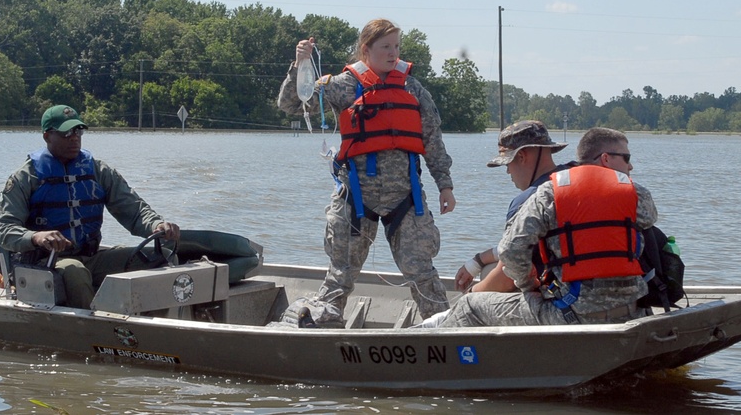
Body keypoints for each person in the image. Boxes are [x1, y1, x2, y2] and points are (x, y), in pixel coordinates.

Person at [277, 18, 456, 320]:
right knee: (341, 275)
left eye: (396, 47)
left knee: (422, 273)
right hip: (355, 198)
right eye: (385, 47)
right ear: (366, 50)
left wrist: (445, 185)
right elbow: (290, 103)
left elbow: (432, 140)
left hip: (406, 198)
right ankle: (324, 329)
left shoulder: (413, 89)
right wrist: (300, 64)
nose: (393, 53)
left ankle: (447, 332)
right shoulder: (343, 86)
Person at [439, 127, 656, 327]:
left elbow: (511, 251)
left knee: (468, 307)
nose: (630, 165)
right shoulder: (636, 192)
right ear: (604, 160)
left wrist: (527, 284)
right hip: (633, 312)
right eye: (627, 159)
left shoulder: (548, 193)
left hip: (573, 315)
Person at [0, 104, 181, 309]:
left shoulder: (99, 171)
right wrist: (37, 237)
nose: (74, 137)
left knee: (160, 256)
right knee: (75, 271)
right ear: (47, 136)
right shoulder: (26, 178)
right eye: (66, 133)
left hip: (91, 256)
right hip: (44, 263)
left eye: (78, 130)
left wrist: (156, 224)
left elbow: (134, 210)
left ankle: (153, 327)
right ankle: (94, 331)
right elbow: (4, 230)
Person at [453, 120, 572, 293]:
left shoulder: (528, 200)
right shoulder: (573, 178)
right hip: (595, 290)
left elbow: (505, 280)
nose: (508, 171)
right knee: (488, 267)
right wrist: (478, 260)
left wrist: (469, 299)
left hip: (560, 302)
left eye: (507, 164)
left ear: (522, 157)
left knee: (482, 287)